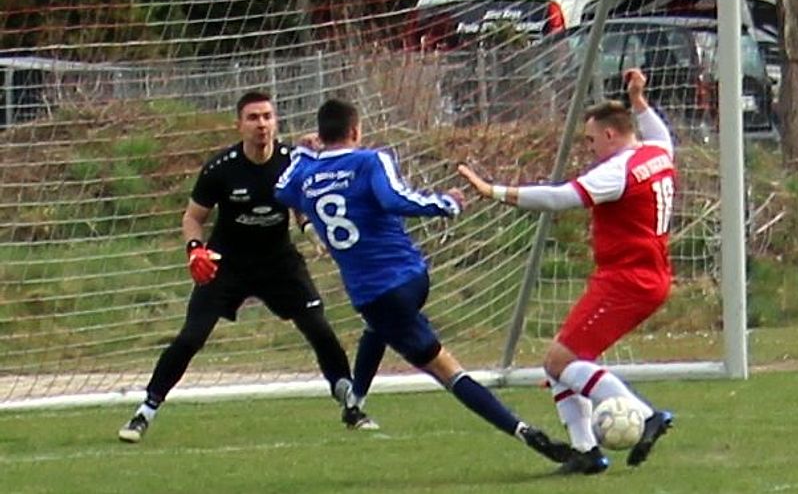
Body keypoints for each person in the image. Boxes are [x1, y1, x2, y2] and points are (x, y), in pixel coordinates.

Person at [274, 98, 573, 466]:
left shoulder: (305, 174)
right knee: (379, 328)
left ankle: (524, 431)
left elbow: (281, 189)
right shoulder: (370, 160)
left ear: (321, 134)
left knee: (446, 370)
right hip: (411, 277)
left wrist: (303, 153)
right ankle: (355, 402)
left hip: (375, 293)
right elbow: (394, 198)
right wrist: (444, 203)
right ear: (355, 130)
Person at [118, 91, 371, 443]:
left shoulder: (292, 161)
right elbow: (192, 217)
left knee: (319, 328)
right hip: (227, 263)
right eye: (253, 118)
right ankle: (145, 411)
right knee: (191, 337)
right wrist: (195, 250)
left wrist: (312, 231)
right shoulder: (221, 168)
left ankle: (351, 405)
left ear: (276, 122)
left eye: (267, 116)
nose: (261, 124)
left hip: (279, 262)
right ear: (239, 124)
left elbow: (302, 204)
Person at [457, 68, 675, 474]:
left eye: (591, 140)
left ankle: (645, 415)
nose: (590, 148)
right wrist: (638, 99)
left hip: (626, 280)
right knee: (561, 360)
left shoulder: (618, 171)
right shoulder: (657, 153)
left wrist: (494, 191)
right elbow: (658, 130)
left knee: (560, 363)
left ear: (610, 134)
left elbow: (558, 198)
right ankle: (586, 452)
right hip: (648, 276)